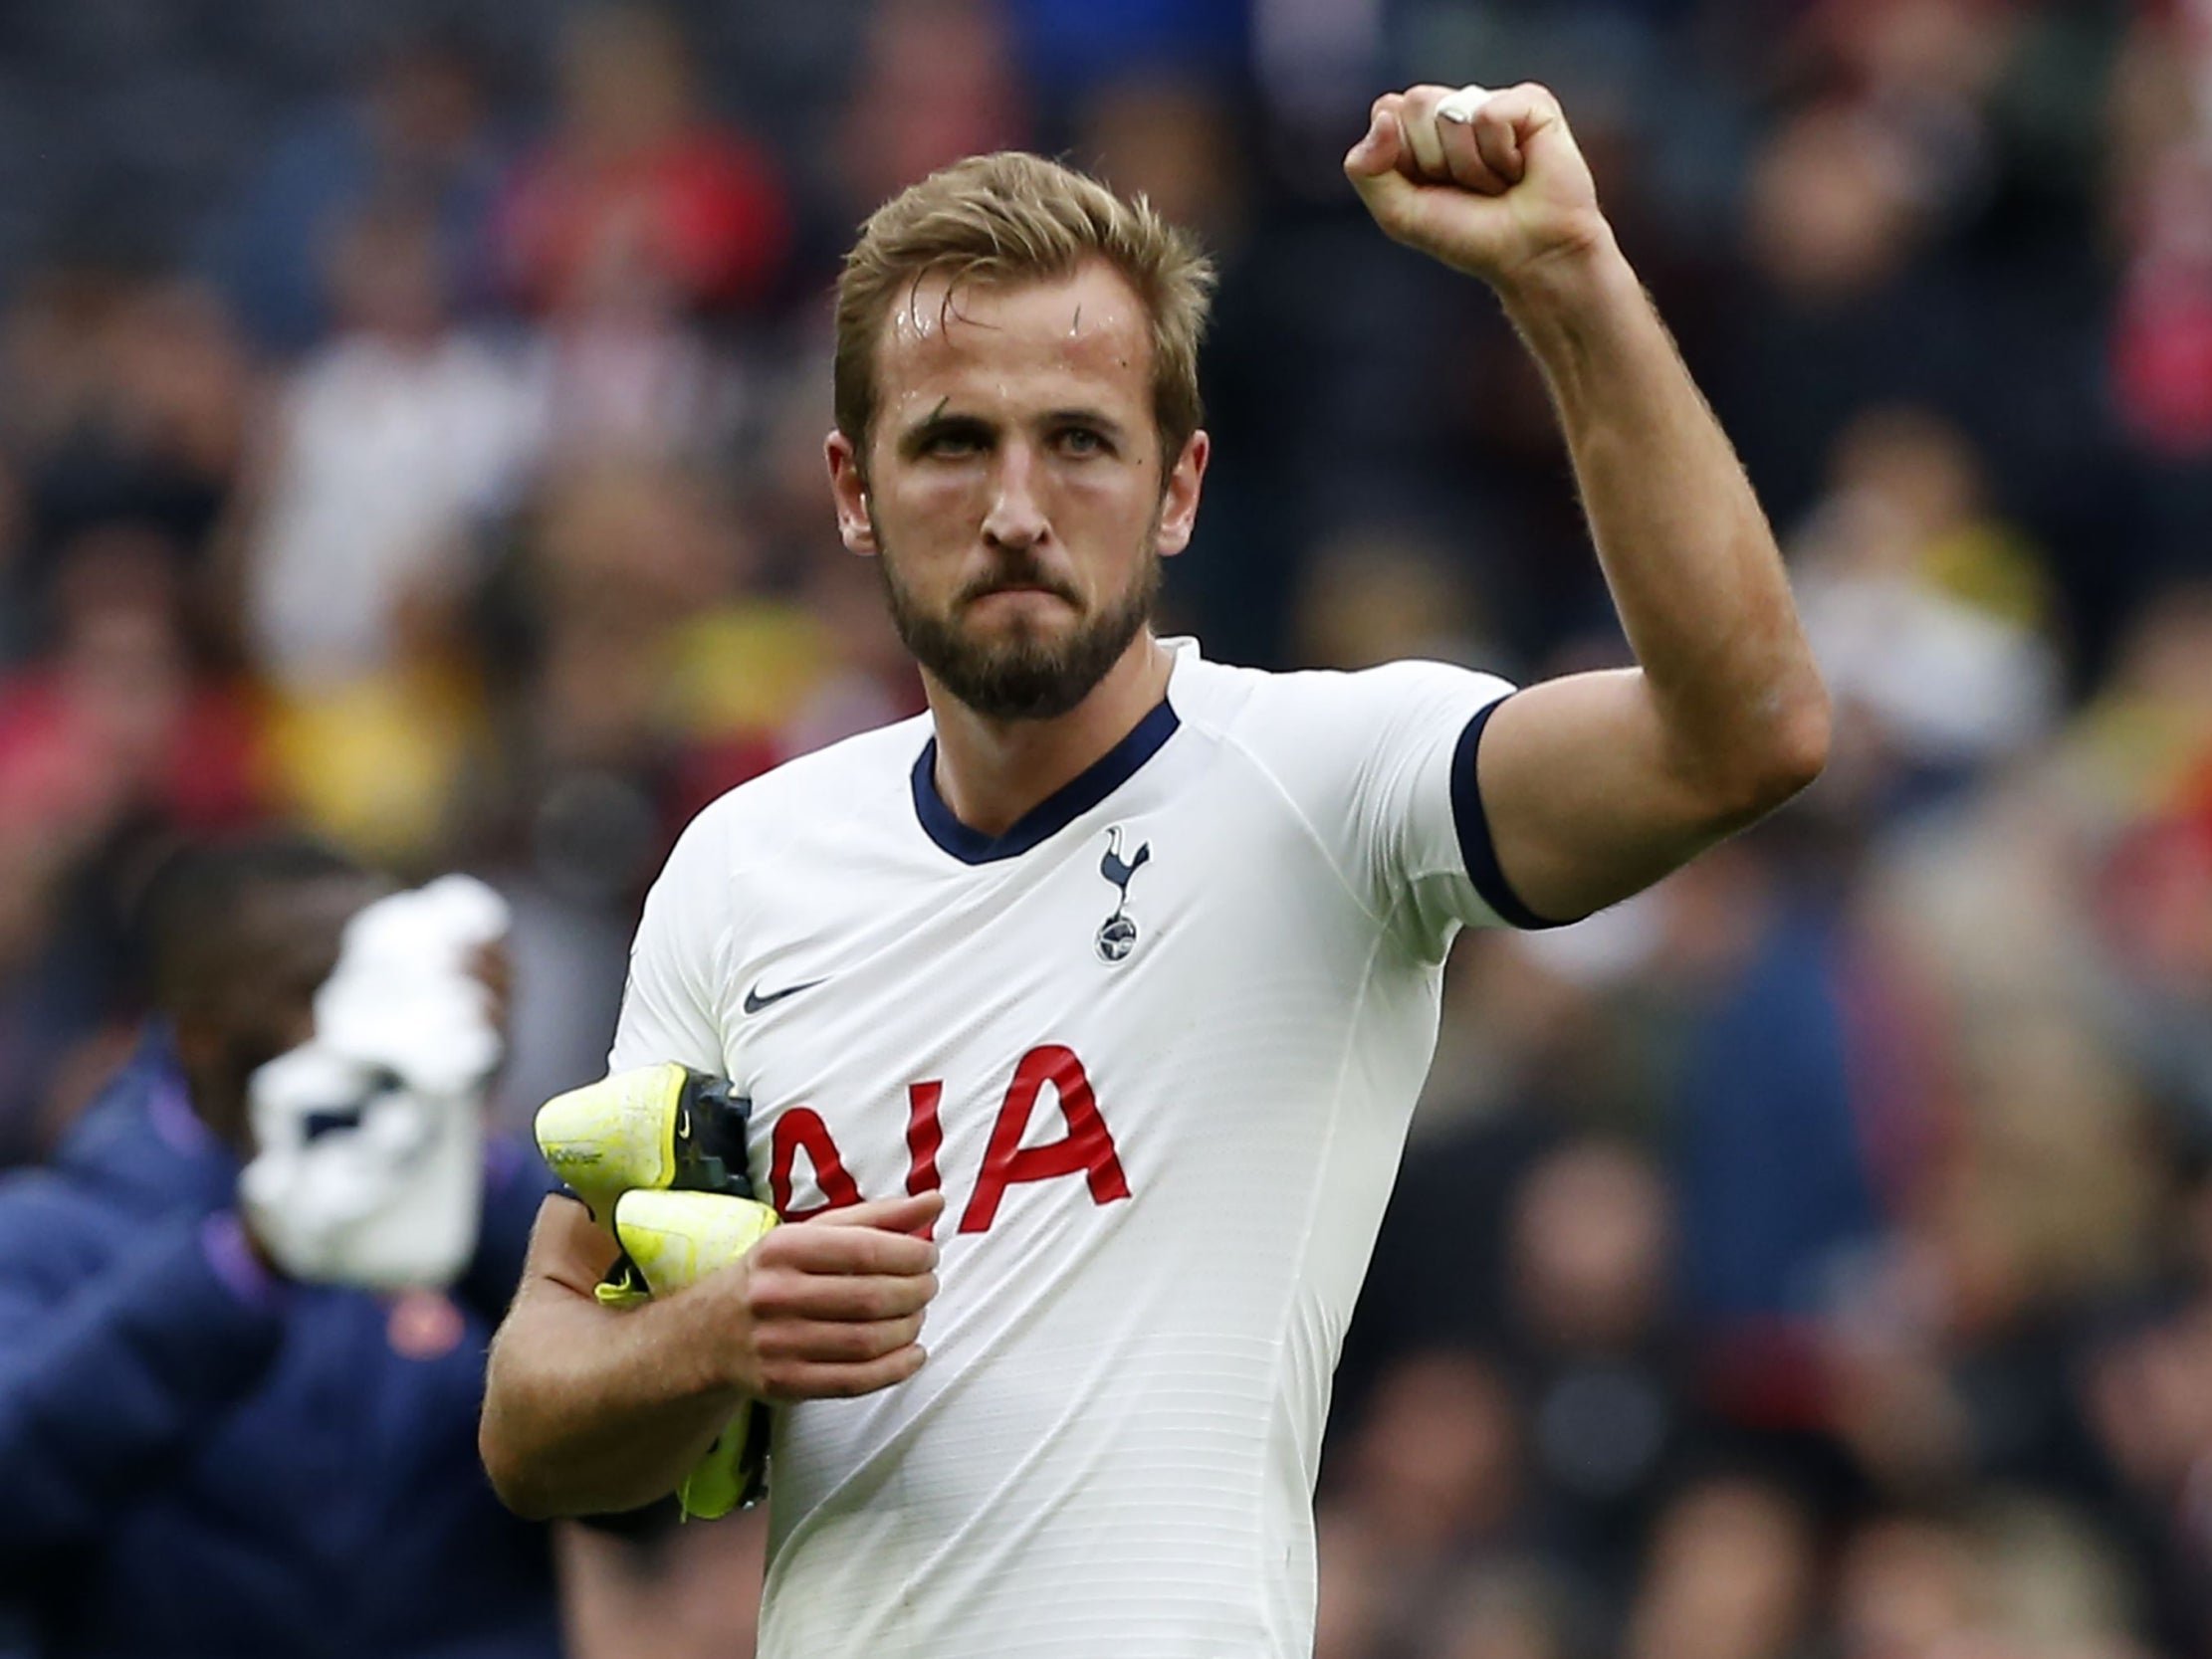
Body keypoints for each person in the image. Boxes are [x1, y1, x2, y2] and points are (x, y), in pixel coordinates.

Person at [478, 82, 1832, 1658]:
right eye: (950, 444)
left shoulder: (1329, 785)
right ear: (851, 492)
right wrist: (709, 1333)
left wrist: (1569, 280)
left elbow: (1745, 732)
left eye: (1078, 443)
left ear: (1178, 487)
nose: (1014, 509)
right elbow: (533, 1418)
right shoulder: (741, 864)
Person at [0, 835, 562, 1657]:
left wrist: (472, 1173)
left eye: (377, 987)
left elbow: (644, 1504)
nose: (356, 1027)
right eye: (315, 989)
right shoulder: (50, 1232)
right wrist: (240, 1264)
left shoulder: (484, 1206)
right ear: (201, 1034)